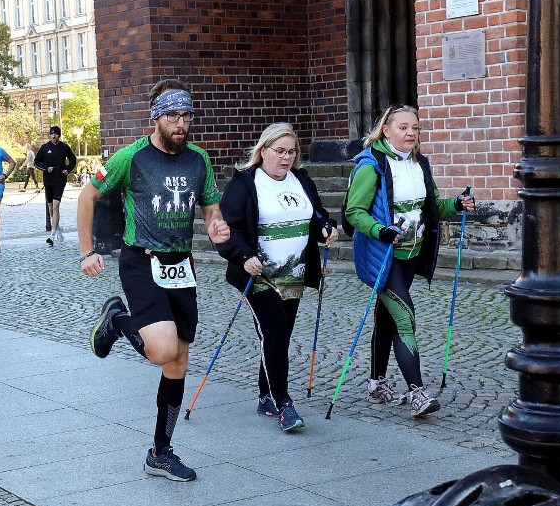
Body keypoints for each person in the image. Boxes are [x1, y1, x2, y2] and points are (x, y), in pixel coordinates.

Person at [78, 79, 230, 482]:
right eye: (173, 116)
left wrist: (216, 227)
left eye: (187, 116)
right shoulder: (130, 157)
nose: (181, 123)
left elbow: (211, 209)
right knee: (162, 350)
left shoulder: (199, 158)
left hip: (181, 265)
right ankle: (118, 321)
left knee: (178, 359)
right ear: (156, 118)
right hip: (140, 261)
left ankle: (160, 453)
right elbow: (86, 196)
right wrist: (86, 251)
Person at [344, 104, 475, 417]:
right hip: (383, 255)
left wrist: (456, 204)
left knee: (387, 317)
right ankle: (418, 392)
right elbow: (353, 213)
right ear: (386, 130)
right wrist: (381, 230)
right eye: (403, 127)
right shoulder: (370, 165)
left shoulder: (420, 163)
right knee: (405, 318)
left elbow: (432, 207)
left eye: (414, 128)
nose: (410, 133)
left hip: (410, 255)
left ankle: (376, 383)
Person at [217, 123, 338, 432]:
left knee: (278, 336)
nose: (286, 158)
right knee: (275, 332)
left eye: (291, 151)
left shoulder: (301, 180)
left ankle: (264, 397)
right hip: (259, 276)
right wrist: (244, 257)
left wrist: (326, 228)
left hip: (294, 275)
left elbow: (318, 215)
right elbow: (229, 230)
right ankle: (284, 402)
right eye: (279, 151)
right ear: (263, 151)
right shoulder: (245, 183)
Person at [35, 126, 76, 245]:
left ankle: (52, 235)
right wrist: (46, 168)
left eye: (56, 134)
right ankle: (58, 228)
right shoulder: (45, 148)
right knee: (50, 208)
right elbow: (37, 162)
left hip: (60, 180)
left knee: (56, 206)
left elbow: (73, 160)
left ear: (59, 135)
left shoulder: (64, 147)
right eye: (52, 134)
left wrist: (67, 169)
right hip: (48, 181)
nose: (54, 136)